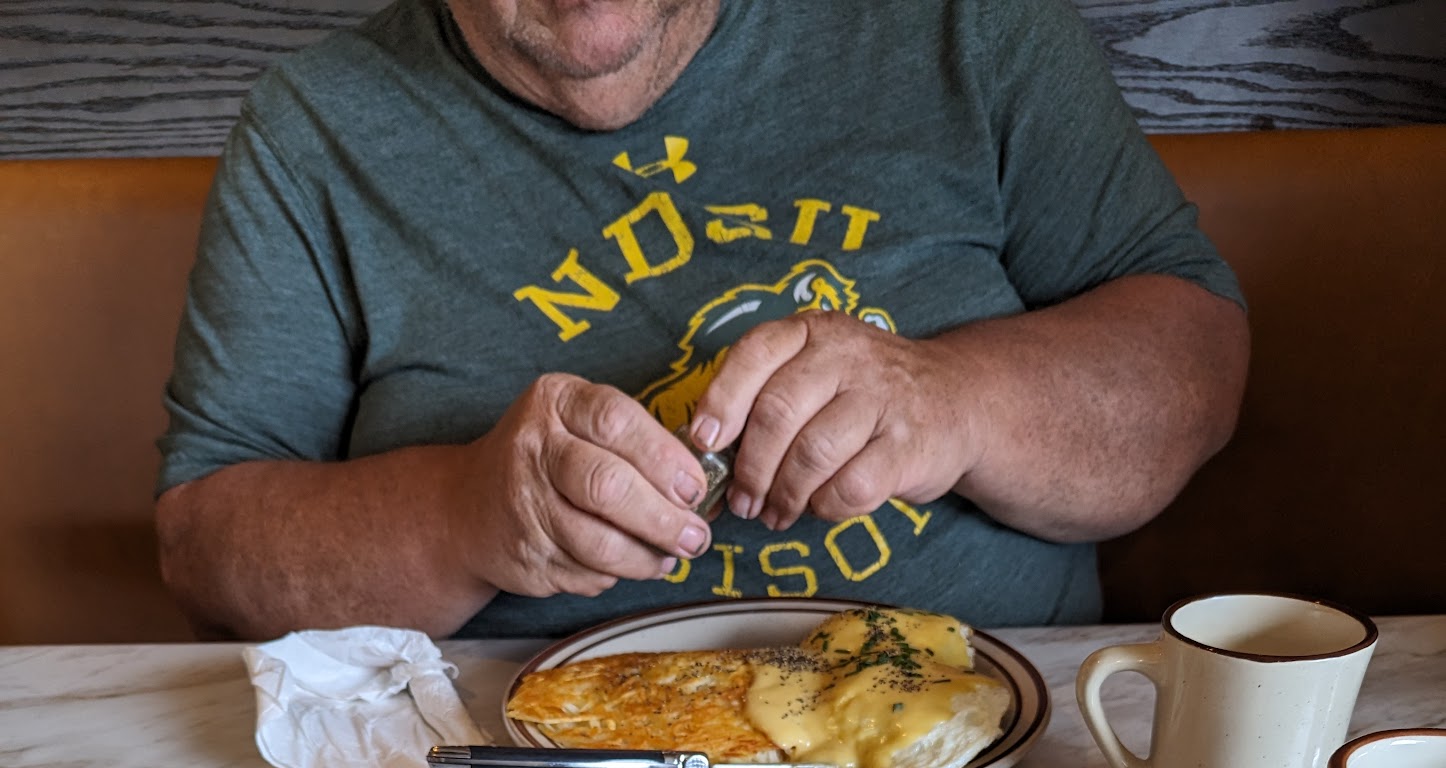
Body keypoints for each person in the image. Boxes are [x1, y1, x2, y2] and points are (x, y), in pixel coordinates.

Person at [156, 0, 1249, 643]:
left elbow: (1197, 364)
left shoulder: (972, 27)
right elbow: (207, 546)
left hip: (997, 751)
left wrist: (960, 400)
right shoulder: (316, 126)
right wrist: (463, 516)